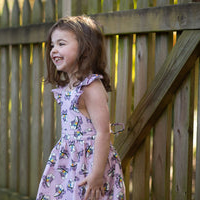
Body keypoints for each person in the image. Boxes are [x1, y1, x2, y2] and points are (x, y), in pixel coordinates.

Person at [36, 15, 125, 200]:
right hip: (70, 162)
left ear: (85, 49)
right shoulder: (70, 87)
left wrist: (97, 174)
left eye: (61, 44)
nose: (54, 50)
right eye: (52, 45)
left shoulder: (90, 86)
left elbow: (103, 132)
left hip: (90, 165)